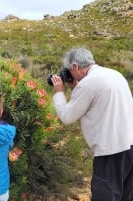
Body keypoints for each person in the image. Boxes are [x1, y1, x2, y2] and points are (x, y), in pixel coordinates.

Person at [50, 47, 133, 201]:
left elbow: (66, 116)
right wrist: (76, 89)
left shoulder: (87, 84)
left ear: (75, 67)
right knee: (126, 196)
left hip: (111, 151)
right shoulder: (115, 74)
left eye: (69, 70)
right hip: (130, 144)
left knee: (105, 196)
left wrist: (59, 91)